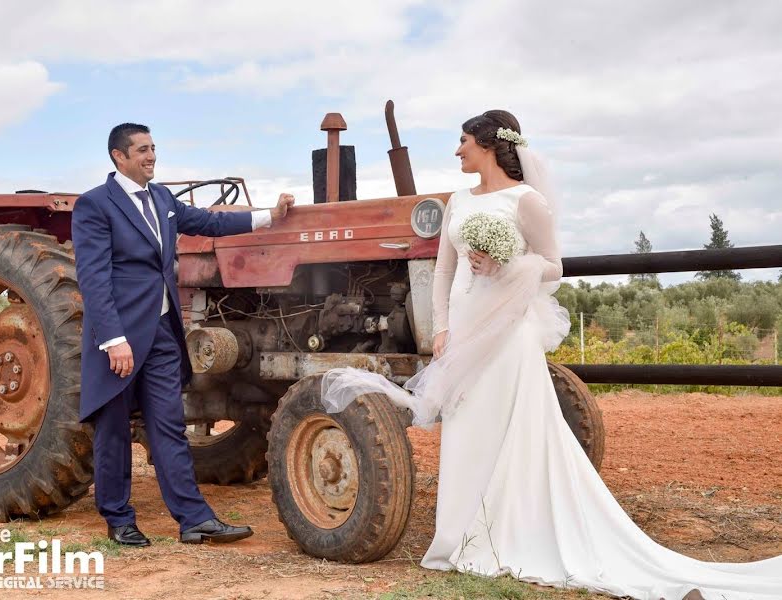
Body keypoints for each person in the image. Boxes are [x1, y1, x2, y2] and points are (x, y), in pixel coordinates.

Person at [322, 111, 782, 599]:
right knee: (467, 427)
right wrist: (441, 329)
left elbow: (553, 267)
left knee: (506, 427)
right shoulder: (457, 200)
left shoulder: (527, 201)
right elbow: (442, 270)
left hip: (506, 334)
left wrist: (507, 264)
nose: (457, 151)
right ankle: (459, 539)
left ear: (487, 145)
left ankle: (509, 536)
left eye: (462, 142)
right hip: (463, 330)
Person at [72, 123, 295, 547]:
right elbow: (94, 278)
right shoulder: (95, 206)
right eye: (142, 150)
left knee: (169, 426)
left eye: (153, 148)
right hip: (118, 337)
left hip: (160, 331)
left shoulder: (162, 199)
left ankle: (194, 519)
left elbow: (210, 222)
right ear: (119, 157)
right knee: (114, 428)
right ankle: (119, 518)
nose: (151, 156)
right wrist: (112, 339)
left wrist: (270, 215)